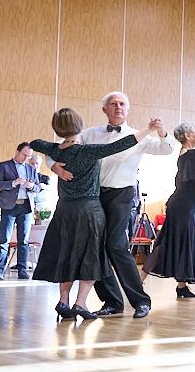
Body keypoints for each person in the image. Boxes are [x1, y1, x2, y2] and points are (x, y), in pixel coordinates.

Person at [50, 92, 170, 319]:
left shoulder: (138, 136)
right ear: (104, 109)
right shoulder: (89, 134)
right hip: (92, 196)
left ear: (128, 109)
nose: (118, 107)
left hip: (121, 194)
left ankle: (141, 301)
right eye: (113, 104)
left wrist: (161, 131)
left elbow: (167, 148)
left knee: (115, 245)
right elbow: (58, 148)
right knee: (95, 248)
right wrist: (56, 167)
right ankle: (112, 301)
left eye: (122, 104)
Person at [30, 109, 152, 320]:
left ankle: (63, 300)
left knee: (66, 255)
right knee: (91, 256)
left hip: (64, 210)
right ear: (79, 126)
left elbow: (35, 143)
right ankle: (80, 303)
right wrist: (148, 129)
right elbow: (121, 144)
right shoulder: (87, 151)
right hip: (89, 211)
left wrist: (56, 155)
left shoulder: (56, 150)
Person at [142, 122, 195, 299]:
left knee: (179, 242)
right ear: (187, 136)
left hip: (184, 204)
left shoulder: (187, 155)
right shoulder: (190, 156)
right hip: (183, 205)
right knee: (169, 243)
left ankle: (181, 286)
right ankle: (139, 280)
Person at [0, 143, 42, 280]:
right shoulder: (4, 166)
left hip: (26, 207)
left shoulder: (31, 169)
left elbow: (37, 188)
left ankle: (22, 270)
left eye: (29, 156)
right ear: (17, 152)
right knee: (4, 240)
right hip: (9, 206)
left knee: (23, 240)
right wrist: (13, 183)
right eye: (24, 155)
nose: (26, 158)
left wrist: (31, 186)